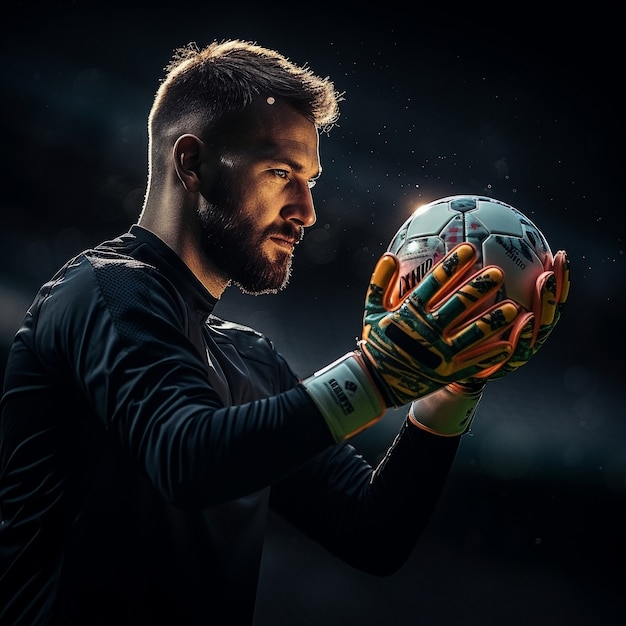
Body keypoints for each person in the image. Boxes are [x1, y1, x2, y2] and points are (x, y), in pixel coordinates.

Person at [0, 39, 569, 626]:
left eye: (311, 179)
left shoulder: (251, 361)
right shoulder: (102, 292)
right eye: (280, 172)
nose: (307, 209)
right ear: (190, 163)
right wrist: (376, 375)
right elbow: (188, 460)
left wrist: (452, 384)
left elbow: (373, 534)